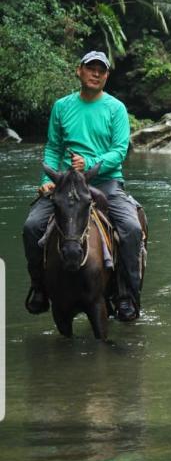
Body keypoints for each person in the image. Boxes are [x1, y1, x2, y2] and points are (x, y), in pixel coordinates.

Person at [23, 50, 143, 322]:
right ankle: (39, 288)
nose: (96, 73)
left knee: (132, 228)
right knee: (32, 226)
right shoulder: (62, 106)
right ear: (79, 71)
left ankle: (126, 295)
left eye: (101, 70)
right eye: (91, 68)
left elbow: (119, 151)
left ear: (107, 76)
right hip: (66, 185)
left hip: (107, 182)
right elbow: (53, 149)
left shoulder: (116, 108)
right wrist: (46, 181)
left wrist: (88, 162)